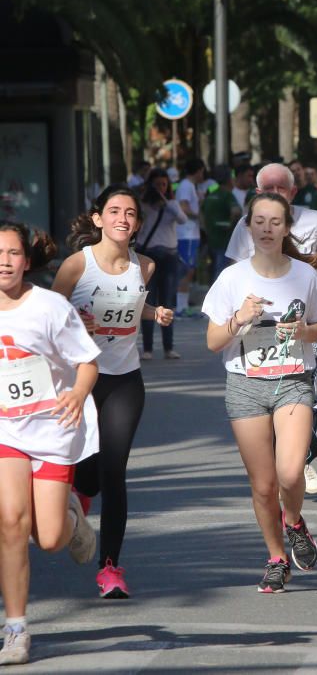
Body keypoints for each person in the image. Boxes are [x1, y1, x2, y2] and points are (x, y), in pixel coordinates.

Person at [203, 192, 317, 593]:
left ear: (286, 228)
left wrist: (300, 331)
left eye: (275, 222)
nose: (266, 228)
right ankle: (276, 558)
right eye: (259, 221)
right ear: (248, 227)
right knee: (263, 485)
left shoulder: (304, 275)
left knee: (290, 471)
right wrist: (240, 319)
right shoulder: (232, 279)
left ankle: (294, 520)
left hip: (294, 380)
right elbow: (212, 342)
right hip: (245, 385)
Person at [52, 185, 173, 599]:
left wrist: (154, 311)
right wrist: (73, 324)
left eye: (131, 213)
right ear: (98, 219)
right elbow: (47, 317)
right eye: (115, 211)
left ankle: (110, 568)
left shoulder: (146, 266)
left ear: (137, 224)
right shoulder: (76, 265)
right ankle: (77, 497)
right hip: (80, 381)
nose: (123, 218)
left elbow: (130, 301)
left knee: (114, 472)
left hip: (125, 380)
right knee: (90, 471)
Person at [0, 222, 100, 665]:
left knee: (52, 538)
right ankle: (16, 628)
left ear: (27, 260)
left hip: (52, 428)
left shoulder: (50, 307)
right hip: (6, 431)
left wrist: (77, 394)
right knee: (11, 523)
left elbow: (87, 362)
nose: (4, 260)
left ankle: (72, 517)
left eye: (12, 253)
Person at [225, 163, 317, 494]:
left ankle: (300, 458)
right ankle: (278, 460)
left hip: (302, 320)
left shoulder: (313, 220)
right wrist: (237, 316)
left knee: (304, 384)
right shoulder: (245, 226)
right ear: (257, 193)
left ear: (293, 192)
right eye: (268, 189)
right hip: (258, 329)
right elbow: (234, 271)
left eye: (281, 189)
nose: (275, 194)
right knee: (264, 389)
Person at [136, 168, 187, 360]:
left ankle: (168, 347)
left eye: (164, 185)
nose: (161, 188)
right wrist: (149, 200)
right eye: (157, 184)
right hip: (148, 255)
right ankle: (147, 348)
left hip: (168, 256)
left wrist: (166, 201)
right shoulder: (144, 205)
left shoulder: (171, 204)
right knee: (148, 301)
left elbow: (182, 219)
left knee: (167, 301)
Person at [175, 158, 206, 316]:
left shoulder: (190, 186)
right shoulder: (186, 186)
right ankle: (180, 307)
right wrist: (197, 216)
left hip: (191, 234)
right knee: (186, 270)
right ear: (198, 170)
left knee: (190, 269)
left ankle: (183, 305)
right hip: (186, 234)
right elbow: (183, 207)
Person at [201, 165, 241, 283]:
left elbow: (201, 213)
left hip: (211, 239)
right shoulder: (228, 195)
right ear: (229, 179)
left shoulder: (211, 195)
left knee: (213, 269)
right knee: (221, 271)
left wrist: (207, 228)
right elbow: (236, 211)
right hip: (225, 240)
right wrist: (231, 223)